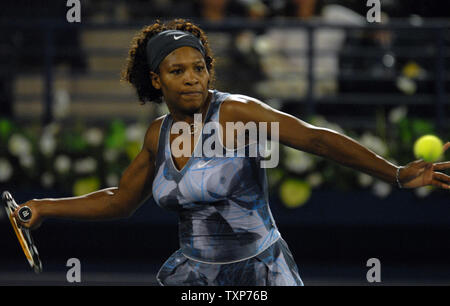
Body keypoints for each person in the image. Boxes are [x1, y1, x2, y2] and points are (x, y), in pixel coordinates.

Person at [13, 18, 450, 286]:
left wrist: (394, 173)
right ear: (156, 79)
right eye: (177, 71)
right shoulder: (156, 135)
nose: (192, 79)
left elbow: (315, 138)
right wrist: (44, 208)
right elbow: (121, 200)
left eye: (199, 68)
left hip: (262, 273)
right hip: (197, 277)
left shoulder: (236, 111)